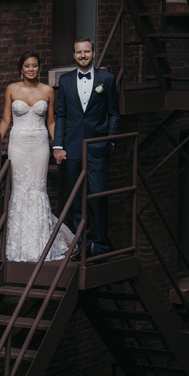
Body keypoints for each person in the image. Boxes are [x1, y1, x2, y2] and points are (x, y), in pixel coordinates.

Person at [0, 51, 74, 262]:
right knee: (20, 190)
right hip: (17, 145)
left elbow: (51, 122)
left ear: (39, 68)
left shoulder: (47, 90)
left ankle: (40, 245)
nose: (31, 69)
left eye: (35, 66)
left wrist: (58, 146)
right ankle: (19, 246)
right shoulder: (11, 89)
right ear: (21, 68)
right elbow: (5, 120)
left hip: (39, 145)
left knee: (37, 189)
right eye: (27, 65)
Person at [52, 37, 120, 257]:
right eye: (78, 52)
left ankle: (100, 243)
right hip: (72, 147)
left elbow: (114, 113)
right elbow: (60, 114)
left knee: (99, 195)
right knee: (77, 195)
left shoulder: (107, 79)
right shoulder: (64, 81)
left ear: (93, 53)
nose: (83, 55)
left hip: (97, 147)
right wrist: (58, 145)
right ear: (74, 55)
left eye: (86, 52)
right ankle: (83, 242)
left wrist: (110, 140)